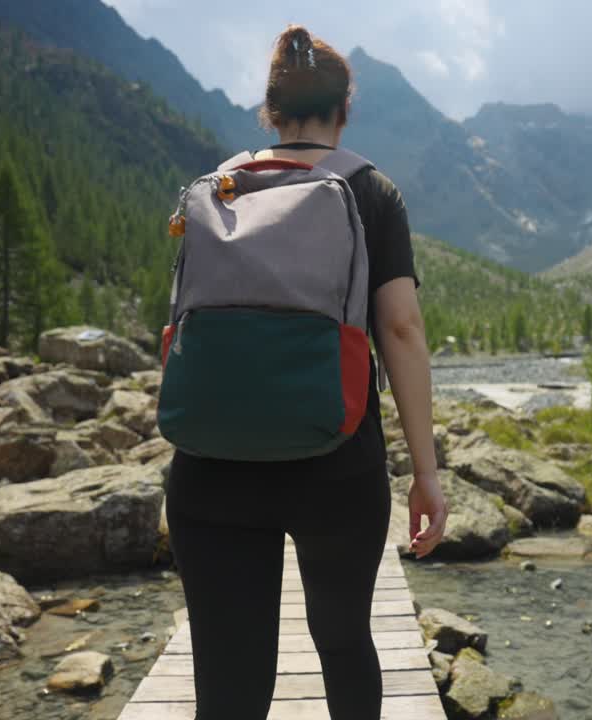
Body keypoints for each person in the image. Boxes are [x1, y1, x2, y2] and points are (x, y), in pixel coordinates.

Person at [163, 26, 447, 720]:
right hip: (337, 463)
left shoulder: (217, 188)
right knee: (345, 646)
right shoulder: (371, 190)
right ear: (343, 107)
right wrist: (426, 473)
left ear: (271, 108)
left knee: (229, 686)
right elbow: (402, 330)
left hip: (209, 466)